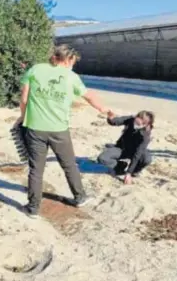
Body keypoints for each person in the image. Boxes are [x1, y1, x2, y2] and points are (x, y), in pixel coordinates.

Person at [18, 44, 110, 218]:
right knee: (69, 165)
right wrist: (104, 110)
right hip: (59, 130)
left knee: (36, 169)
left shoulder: (35, 70)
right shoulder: (71, 77)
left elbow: (23, 98)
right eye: (73, 62)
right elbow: (89, 96)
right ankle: (80, 196)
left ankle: (33, 208)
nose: (73, 66)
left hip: (35, 128)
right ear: (68, 59)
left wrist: (23, 117)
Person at [97, 110, 154, 184]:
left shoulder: (145, 135)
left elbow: (138, 154)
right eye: (137, 120)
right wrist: (110, 118)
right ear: (136, 116)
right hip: (122, 148)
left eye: (142, 123)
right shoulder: (131, 119)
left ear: (146, 124)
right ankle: (120, 166)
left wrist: (128, 173)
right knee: (102, 158)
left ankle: (135, 171)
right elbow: (115, 121)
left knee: (147, 159)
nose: (137, 124)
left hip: (135, 151)